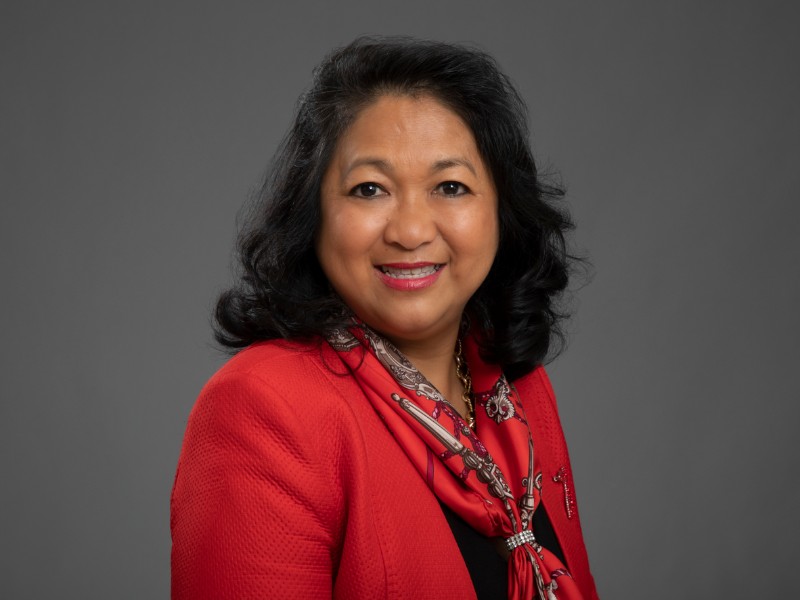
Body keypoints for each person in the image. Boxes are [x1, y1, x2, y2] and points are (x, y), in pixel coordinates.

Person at [171, 36, 599, 600]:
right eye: (369, 189)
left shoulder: (521, 391)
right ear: (314, 214)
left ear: (501, 210)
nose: (411, 231)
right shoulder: (262, 409)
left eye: (451, 186)